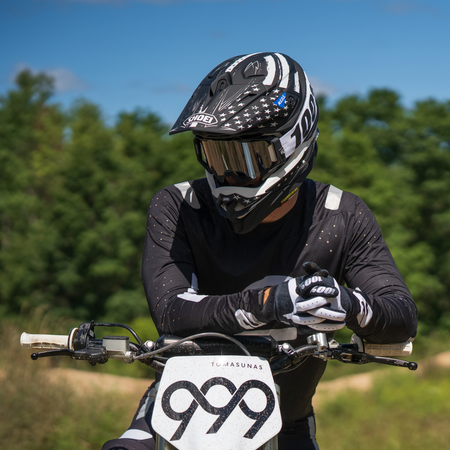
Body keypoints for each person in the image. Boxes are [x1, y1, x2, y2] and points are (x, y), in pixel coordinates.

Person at [103, 52, 418, 450]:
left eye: (246, 159)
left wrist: (349, 305)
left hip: (284, 426)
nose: (227, 175)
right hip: (173, 414)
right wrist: (269, 303)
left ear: (293, 145)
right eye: (216, 156)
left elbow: (401, 315)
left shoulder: (343, 215)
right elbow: (171, 310)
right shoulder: (179, 205)